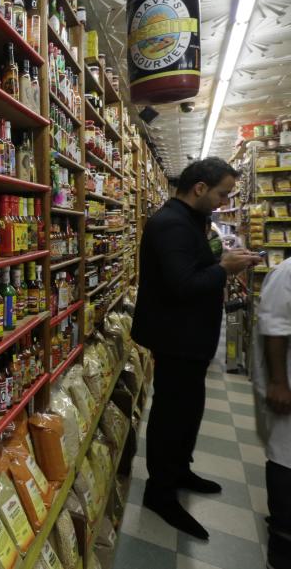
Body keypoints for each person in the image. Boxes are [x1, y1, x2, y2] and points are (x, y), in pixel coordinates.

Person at [131, 157, 261, 539]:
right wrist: (226, 269)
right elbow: (182, 284)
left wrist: (224, 261)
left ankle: (179, 470)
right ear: (200, 188)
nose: (225, 200)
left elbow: (201, 263)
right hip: (175, 340)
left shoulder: (194, 221)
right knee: (172, 415)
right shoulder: (170, 224)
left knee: (189, 412)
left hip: (191, 340)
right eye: (222, 193)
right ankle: (160, 492)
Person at [253, 258, 291, 569]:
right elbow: (273, 327)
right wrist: (279, 381)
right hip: (288, 387)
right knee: (284, 456)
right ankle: (281, 543)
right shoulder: (286, 272)